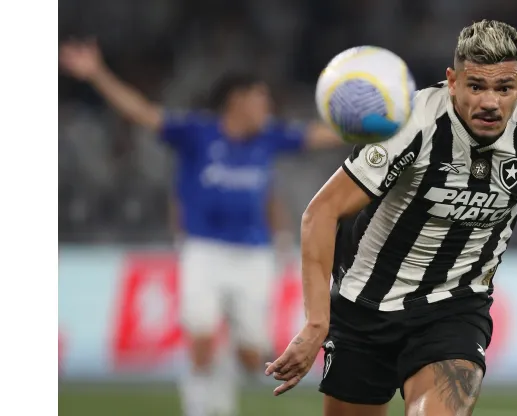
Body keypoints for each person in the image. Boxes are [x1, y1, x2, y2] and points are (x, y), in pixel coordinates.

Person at [265, 19, 517, 416]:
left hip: (454, 307)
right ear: (452, 81)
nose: (490, 102)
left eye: (504, 88)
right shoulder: (411, 124)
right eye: (476, 86)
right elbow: (321, 212)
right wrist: (316, 323)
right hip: (364, 304)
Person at [59, 39, 341, 416]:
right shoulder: (196, 133)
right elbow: (142, 113)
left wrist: (380, 127)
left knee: (250, 356)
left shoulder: (270, 138)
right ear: (236, 101)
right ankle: (202, 407)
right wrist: (97, 74)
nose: (267, 108)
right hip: (203, 250)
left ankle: (222, 371)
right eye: (260, 99)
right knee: (201, 341)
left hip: (253, 254)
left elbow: (321, 136)